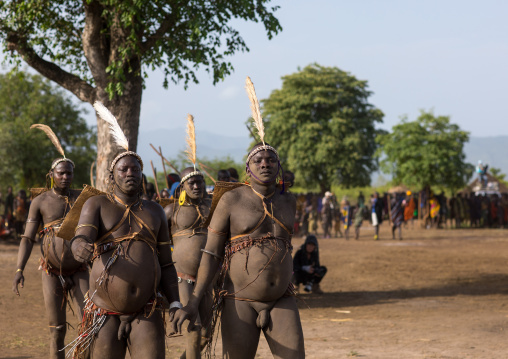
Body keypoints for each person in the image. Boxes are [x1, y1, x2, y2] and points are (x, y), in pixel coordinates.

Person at [171, 78, 305, 358]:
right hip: (239, 300)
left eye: (271, 160)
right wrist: (194, 301)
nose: (265, 163)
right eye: (259, 160)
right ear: (248, 169)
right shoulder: (230, 200)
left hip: (282, 298)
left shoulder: (288, 201)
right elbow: (210, 254)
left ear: (279, 167)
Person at [68, 102, 180, 358]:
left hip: (147, 310)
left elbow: (166, 264)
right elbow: (81, 236)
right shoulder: (96, 204)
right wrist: (78, 245)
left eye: (135, 169)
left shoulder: (155, 211)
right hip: (104, 311)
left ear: (142, 176)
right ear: (112, 176)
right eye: (124, 169)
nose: (130, 173)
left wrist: (174, 301)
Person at [12, 124, 86, 359]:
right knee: (57, 330)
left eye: (69, 173)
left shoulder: (84, 199)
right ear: (51, 175)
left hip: (81, 269)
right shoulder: (41, 201)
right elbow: (27, 238)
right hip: (51, 271)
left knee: (90, 324)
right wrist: (19, 269)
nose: (65, 177)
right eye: (61, 173)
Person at [164, 115, 212, 359]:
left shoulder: (213, 206)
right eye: (191, 183)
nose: (197, 186)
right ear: (182, 187)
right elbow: (157, 242)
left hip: (208, 278)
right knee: (192, 329)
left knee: (207, 332)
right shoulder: (171, 210)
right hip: (182, 277)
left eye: (200, 182)